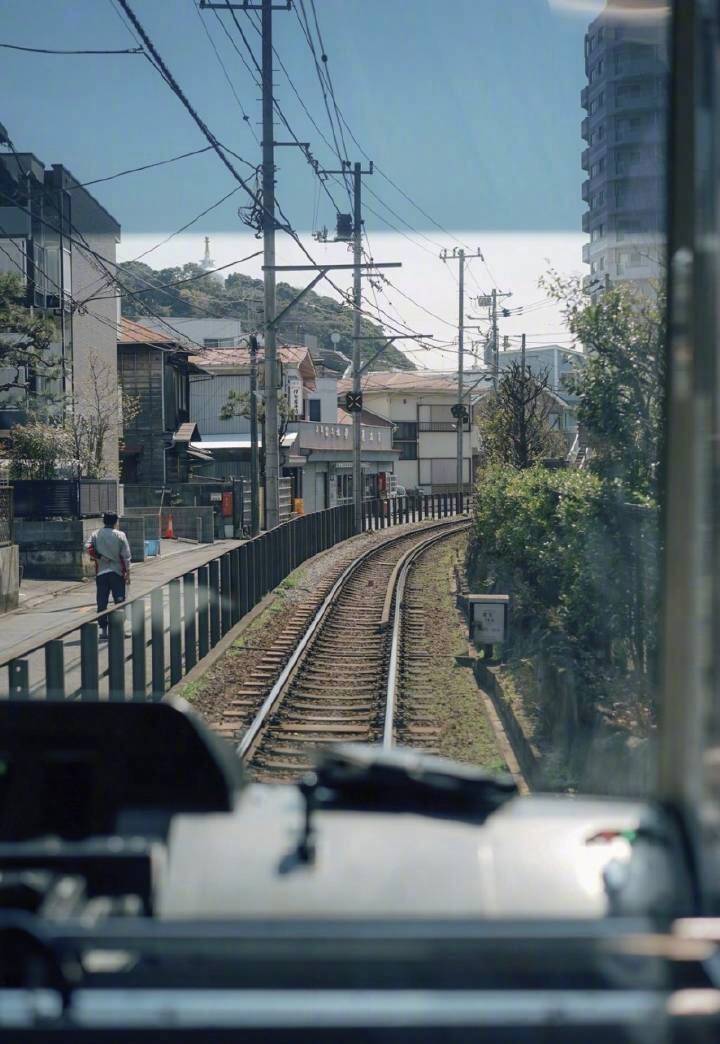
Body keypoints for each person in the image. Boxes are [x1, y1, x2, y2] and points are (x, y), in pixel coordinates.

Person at [86, 512, 131, 639]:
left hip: (101, 572)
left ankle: (104, 630)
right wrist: (128, 573)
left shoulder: (95, 534)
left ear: (103, 521)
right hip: (117, 572)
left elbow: (87, 547)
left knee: (102, 601)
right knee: (120, 602)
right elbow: (126, 556)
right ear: (116, 522)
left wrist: (100, 557)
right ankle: (120, 630)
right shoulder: (120, 535)